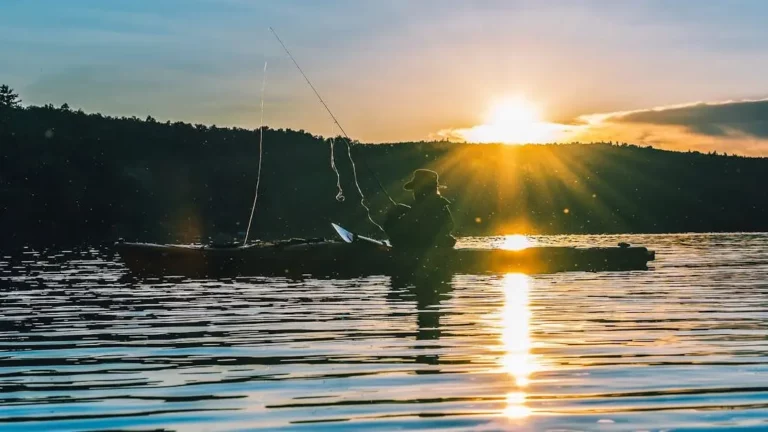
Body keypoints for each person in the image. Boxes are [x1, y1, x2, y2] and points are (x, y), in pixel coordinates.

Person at [384, 169, 457, 249]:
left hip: (415, 252)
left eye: (416, 188)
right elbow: (450, 225)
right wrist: (407, 210)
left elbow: (395, 232)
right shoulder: (439, 204)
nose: (414, 192)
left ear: (424, 189)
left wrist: (392, 215)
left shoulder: (424, 208)